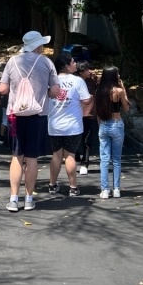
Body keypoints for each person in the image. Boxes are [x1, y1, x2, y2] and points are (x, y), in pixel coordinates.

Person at [0, 31, 60, 213]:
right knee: (32, 158)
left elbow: (2, 89)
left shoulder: (12, 61)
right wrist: (41, 94)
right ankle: (29, 198)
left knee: (17, 156)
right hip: (38, 115)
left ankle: (13, 199)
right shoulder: (47, 63)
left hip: (15, 115)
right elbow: (55, 91)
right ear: (38, 45)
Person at [48, 54, 93, 197]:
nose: (75, 64)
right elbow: (86, 100)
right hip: (72, 125)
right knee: (70, 156)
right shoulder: (78, 81)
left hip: (55, 124)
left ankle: (52, 184)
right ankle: (73, 187)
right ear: (67, 66)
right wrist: (90, 98)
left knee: (56, 155)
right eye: (73, 62)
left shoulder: (51, 81)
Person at [94, 67, 130, 198]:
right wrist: (123, 89)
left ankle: (104, 190)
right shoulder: (118, 91)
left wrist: (100, 126)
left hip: (103, 124)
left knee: (104, 159)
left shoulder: (99, 91)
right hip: (116, 124)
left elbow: (97, 111)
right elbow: (126, 108)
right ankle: (116, 189)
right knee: (116, 159)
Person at [76, 61, 98, 175]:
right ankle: (75, 155)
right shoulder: (74, 81)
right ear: (80, 72)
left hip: (89, 113)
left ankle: (85, 162)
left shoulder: (93, 80)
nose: (89, 71)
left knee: (87, 139)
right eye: (86, 70)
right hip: (75, 114)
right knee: (74, 138)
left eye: (90, 68)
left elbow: (102, 86)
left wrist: (96, 77)